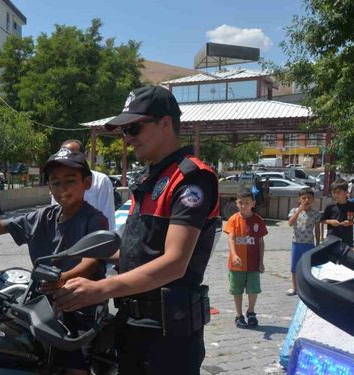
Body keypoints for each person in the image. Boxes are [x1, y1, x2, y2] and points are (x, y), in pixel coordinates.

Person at [51, 85, 220, 374]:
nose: (128, 139)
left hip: (168, 335)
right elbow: (136, 249)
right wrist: (78, 264)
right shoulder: (151, 177)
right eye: (124, 131)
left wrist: (100, 288)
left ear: (165, 123)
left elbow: (174, 263)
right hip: (133, 324)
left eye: (135, 128)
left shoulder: (190, 179)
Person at [0, 148, 108, 375]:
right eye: (55, 182)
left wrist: (63, 279)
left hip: (79, 302)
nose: (62, 188)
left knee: (74, 368)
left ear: (86, 183)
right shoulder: (43, 216)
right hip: (42, 300)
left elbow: (91, 260)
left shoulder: (94, 219)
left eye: (70, 181)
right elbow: (2, 226)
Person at [224, 188, 267, 328]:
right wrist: (234, 255)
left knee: (253, 289)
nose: (243, 205)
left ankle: (251, 312)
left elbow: (261, 242)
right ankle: (239, 315)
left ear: (253, 203)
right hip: (237, 264)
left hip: (253, 263)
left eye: (247, 203)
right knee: (237, 290)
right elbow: (231, 239)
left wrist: (261, 261)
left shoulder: (258, 220)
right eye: (240, 203)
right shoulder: (233, 220)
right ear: (237, 203)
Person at [51, 139, 115, 230]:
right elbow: (55, 214)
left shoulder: (101, 180)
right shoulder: (57, 183)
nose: (67, 160)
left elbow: (107, 215)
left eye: (73, 155)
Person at [286, 187, 320, 296]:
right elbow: (290, 223)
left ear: (313, 200)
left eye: (309, 198)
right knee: (294, 266)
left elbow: (317, 229)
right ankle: (294, 287)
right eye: (304, 198)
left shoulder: (315, 213)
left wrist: (318, 242)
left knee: (308, 266)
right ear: (299, 200)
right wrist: (299, 211)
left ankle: (308, 287)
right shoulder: (294, 211)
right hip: (296, 243)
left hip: (309, 243)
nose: (306, 200)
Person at [321, 179, 354, 246]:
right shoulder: (330, 206)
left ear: (346, 192)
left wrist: (350, 223)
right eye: (333, 192)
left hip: (347, 240)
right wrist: (331, 221)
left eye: (338, 192)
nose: (335, 195)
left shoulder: (353, 206)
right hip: (331, 239)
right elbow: (322, 220)